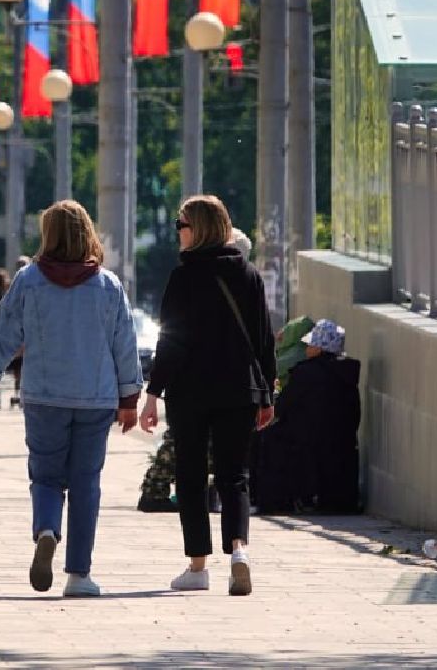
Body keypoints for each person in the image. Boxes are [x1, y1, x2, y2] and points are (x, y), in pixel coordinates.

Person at [0, 201, 143, 598]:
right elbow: (124, 345)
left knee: (45, 476)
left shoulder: (29, 280)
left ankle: (45, 528)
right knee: (86, 483)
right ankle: (79, 575)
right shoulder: (107, 285)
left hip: (43, 396)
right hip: (95, 398)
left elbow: (3, 333)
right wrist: (129, 398)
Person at [140, 195, 276, 599]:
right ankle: (239, 554)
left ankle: (198, 566)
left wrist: (153, 393)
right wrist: (267, 393)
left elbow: (171, 342)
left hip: (191, 393)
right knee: (235, 475)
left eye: (181, 224)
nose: (176, 232)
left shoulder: (184, 277)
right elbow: (264, 341)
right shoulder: (248, 275)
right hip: (240, 390)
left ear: (196, 229)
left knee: (192, 475)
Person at [137, 227, 259, 513]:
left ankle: (191, 510)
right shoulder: (229, 283)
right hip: (217, 387)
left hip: (197, 387)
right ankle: (170, 496)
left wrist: (155, 392)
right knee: (191, 445)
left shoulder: (197, 279)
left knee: (190, 444)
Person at [253, 319, 362, 515]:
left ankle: (274, 502)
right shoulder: (347, 374)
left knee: (267, 437)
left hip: (305, 440)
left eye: (311, 344)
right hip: (340, 441)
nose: (307, 348)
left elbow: (283, 406)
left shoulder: (305, 373)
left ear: (320, 349)